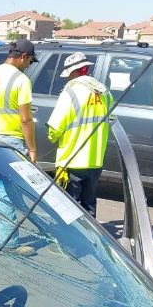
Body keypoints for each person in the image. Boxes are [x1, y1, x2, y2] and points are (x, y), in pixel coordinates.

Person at [0, 38, 39, 253]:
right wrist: (32, 149)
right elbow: (25, 119)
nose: (29, 66)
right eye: (30, 61)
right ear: (23, 56)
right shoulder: (21, 80)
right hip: (10, 142)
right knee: (7, 194)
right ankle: (9, 243)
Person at [47, 52, 113, 218]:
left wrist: (52, 138)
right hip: (95, 159)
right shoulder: (104, 92)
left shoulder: (70, 92)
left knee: (71, 207)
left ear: (72, 72)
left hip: (73, 159)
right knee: (89, 205)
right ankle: (92, 233)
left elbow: (55, 128)